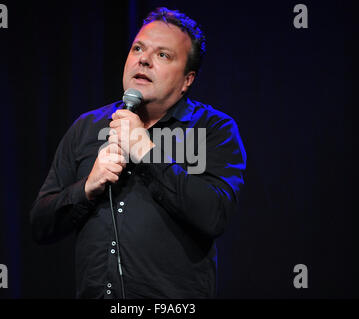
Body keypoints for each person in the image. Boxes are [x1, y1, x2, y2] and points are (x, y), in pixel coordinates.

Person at [30, 7, 247, 299]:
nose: (143, 59)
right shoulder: (87, 127)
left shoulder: (214, 129)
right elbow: (41, 226)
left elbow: (213, 216)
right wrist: (87, 188)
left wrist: (146, 151)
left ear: (187, 80)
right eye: (138, 48)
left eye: (162, 55)